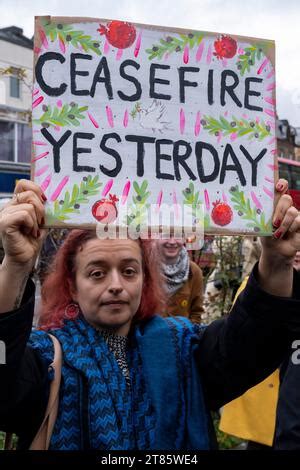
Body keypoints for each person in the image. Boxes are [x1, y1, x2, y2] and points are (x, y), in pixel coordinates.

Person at [1, 179, 300, 450]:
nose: (116, 285)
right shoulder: (46, 359)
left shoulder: (183, 347)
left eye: (129, 271)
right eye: (97, 273)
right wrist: (15, 265)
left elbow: (251, 344)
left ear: (145, 279)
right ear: (73, 286)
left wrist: (275, 261)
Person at [155, 237, 204, 323]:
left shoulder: (193, 271)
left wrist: (189, 334)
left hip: (181, 335)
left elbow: (196, 313)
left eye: (178, 236)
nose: (172, 242)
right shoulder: (145, 267)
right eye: (166, 235)